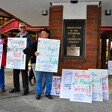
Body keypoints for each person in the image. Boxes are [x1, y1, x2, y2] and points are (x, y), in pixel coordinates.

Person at [9, 23, 34, 95]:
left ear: (25, 28)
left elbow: (32, 46)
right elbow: (12, 46)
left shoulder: (29, 36)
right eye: (21, 27)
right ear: (19, 28)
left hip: (24, 59)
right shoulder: (16, 36)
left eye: (24, 27)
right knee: (15, 73)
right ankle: (16, 87)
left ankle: (26, 89)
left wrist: (28, 50)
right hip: (16, 58)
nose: (22, 28)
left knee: (24, 74)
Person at [31, 29, 53, 100]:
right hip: (40, 64)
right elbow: (30, 49)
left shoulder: (52, 43)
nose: (42, 35)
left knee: (49, 79)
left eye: (44, 33)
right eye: (41, 34)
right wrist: (34, 53)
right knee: (38, 79)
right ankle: (38, 93)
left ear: (48, 34)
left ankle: (47, 93)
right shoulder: (37, 42)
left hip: (49, 64)